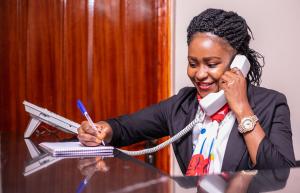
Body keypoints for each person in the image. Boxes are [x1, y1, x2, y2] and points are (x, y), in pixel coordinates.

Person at [78, 8, 295, 175]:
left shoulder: (271, 105)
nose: (199, 74)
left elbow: (281, 175)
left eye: (211, 64)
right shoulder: (182, 105)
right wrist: (103, 130)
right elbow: (125, 128)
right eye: (193, 63)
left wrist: (242, 110)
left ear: (238, 64)